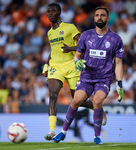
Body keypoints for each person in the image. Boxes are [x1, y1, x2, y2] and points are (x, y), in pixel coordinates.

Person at [52, 6, 124, 145]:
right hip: (87, 76)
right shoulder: (86, 35)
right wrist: (77, 62)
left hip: (104, 78)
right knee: (76, 100)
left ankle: (97, 136)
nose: (99, 17)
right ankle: (63, 132)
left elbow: (119, 63)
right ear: (94, 18)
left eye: (102, 15)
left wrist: (120, 83)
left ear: (107, 18)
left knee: (97, 101)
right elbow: (77, 56)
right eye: (97, 15)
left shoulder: (115, 39)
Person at [42, 3, 107, 141]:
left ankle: (99, 108)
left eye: (53, 11)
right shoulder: (50, 32)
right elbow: (53, 50)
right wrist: (47, 65)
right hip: (56, 67)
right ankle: (52, 130)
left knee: (79, 100)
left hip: (72, 67)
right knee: (53, 94)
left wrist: (71, 49)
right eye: (48, 11)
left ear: (59, 13)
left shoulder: (69, 27)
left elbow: (83, 45)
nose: (50, 14)